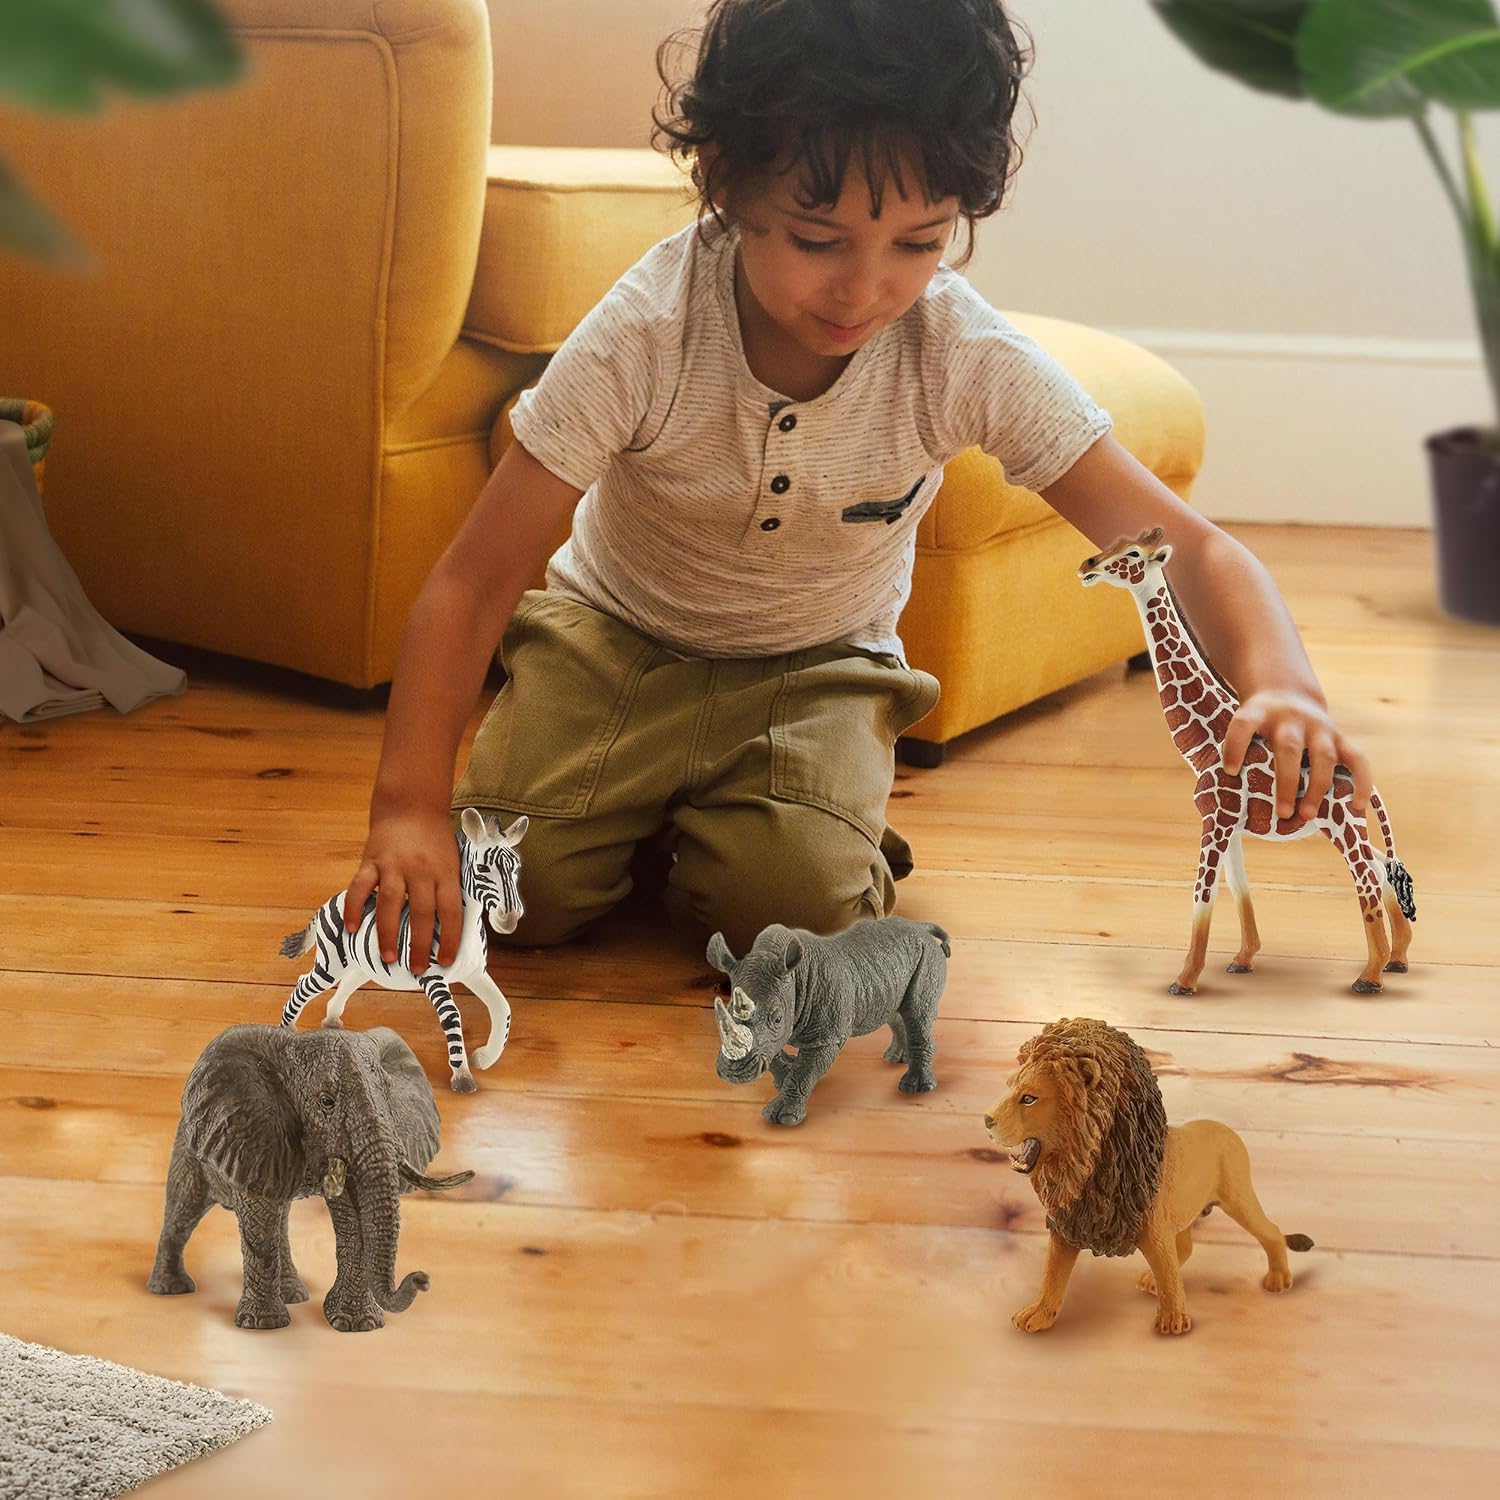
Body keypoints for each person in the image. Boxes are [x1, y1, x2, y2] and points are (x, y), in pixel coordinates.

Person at [343, 0, 1371, 968]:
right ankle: (690, 823)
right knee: (508, 898)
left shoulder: (958, 353)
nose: (865, 289)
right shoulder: (645, 333)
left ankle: (787, 830)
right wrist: (406, 812)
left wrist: (1285, 684)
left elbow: (1191, 548)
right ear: (725, 180)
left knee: (794, 916)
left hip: (819, 671)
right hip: (612, 642)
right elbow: (473, 583)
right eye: (817, 240)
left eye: (919, 243)